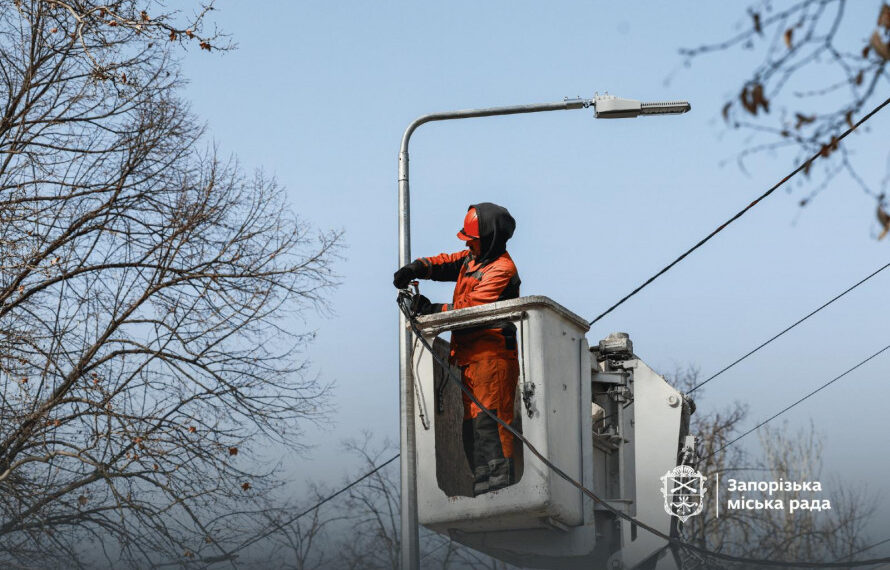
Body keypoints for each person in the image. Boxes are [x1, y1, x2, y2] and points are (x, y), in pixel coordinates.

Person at [393, 202, 521, 495]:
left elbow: (473, 309)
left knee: (491, 420)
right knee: (472, 423)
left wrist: (430, 309)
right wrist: (417, 268)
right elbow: (446, 262)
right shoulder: (472, 259)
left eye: (472, 240)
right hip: (470, 357)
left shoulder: (501, 269)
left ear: (488, 238)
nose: (468, 245)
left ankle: (500, 483)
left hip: (493, 356)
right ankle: (481, 480)